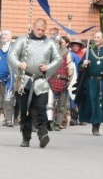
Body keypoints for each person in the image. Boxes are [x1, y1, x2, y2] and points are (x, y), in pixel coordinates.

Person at [8, 18, 62, 148]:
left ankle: (43, 134)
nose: (40, 32)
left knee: (41, 109)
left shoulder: (49, 43)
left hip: (41, 81)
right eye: (38, 29)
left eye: (43, 30)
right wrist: (19, 64)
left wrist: (48, 67)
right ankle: (26, 137)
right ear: (33, 27)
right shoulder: (23, 40)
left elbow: (58, 59)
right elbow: (12, 56)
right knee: (25, 110)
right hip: (25, 81)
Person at [48, 35, 76, 130]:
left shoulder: (67, 53)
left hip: (63, 80)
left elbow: (70, 67)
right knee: (49, 104)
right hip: (51, 80)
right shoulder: (50, 51)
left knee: (61, 105)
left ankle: (58, 123)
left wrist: (70, 79)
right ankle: (50, 122)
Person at [0, 29, 15, 126]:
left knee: (8, 99)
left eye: (6, 34)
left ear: (10, 37)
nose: (3, 36)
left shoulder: (13, 49)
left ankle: (8, 119)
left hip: (9, 78)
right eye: (2, 34)